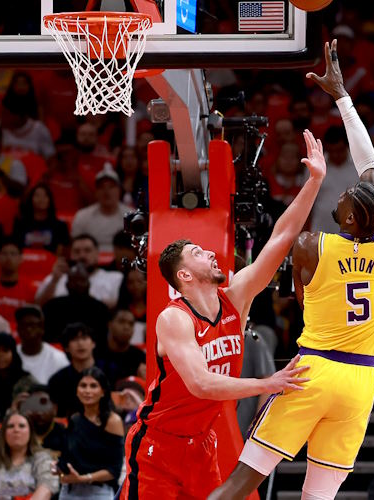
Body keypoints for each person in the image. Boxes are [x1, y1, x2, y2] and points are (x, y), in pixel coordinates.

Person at [210, 39, 374, 499]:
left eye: (347, 197)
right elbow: (371, 166)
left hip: (313, 371)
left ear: (352, 219)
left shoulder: (310, 246)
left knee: (240, 482)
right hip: (361, 381)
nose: (343, 192)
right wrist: (343, 98)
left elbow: (298, 296)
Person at [119, 131, 326, 496]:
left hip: (203, 445)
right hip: (158, 446)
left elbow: (280, 239)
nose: (211, 253)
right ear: (184, 276)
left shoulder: (236, 299)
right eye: (198, 253)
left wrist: (314, 182)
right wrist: (268, 383)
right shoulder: (174, 319)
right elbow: (201, 384)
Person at [58, 367, 122, 499]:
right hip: (69, 490)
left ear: (103, 392)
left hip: (98, 492)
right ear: (77, 390)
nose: (87, 391)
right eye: (83, 385)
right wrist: (59, 468)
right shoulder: (74, 419)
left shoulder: (112, 421)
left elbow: (114, 469)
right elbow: (68, 457)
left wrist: (84, 478)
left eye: (93, 386)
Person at [0, 412, 59, 500]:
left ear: (30, 432)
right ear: (3, 433)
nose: (16, 430)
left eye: (22, 426)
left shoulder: (43, 458)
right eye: (11, 426)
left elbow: (46, 488)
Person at [14, 306, 69, 385]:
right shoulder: (11, 357)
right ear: (18, 329)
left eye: (32, 325)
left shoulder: (58, 358)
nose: (28, 329)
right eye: (23, 325)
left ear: (42, 328)